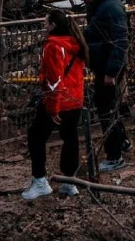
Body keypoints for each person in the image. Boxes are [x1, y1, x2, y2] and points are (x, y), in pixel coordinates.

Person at [21, 10, 89, 200]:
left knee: (36, 135)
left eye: (45, 22)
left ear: (53, 25)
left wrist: (52, 109)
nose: (44, 26)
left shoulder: (53, 46)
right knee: (71, 138)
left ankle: (40, 180)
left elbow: (54, 80)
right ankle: (69, 181)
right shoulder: (76, 41)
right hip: (75, 98)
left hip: (59, 100)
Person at [78, 0, 130, 172]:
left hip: (108, 65)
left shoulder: (112, 8)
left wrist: (111, 72)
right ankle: (123, 142)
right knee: (110, 105)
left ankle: (114, 156)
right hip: (103, 62)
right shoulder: (99, 5)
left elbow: (121, 42)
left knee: (105, 108)